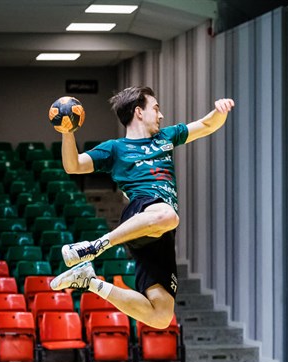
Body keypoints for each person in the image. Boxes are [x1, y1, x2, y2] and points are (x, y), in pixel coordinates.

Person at [50, 86, 235, 328]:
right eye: (156, 109)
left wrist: (220, 112)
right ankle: (94, 247)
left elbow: (206, 125)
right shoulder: (115, 149)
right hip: (141, 210)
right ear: (139, 112)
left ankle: (88, 281)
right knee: (168, 215)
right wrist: (67, 132)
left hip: (161, 230)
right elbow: (73, 165)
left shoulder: (165, 137)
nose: (161, 115)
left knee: (161, 316)